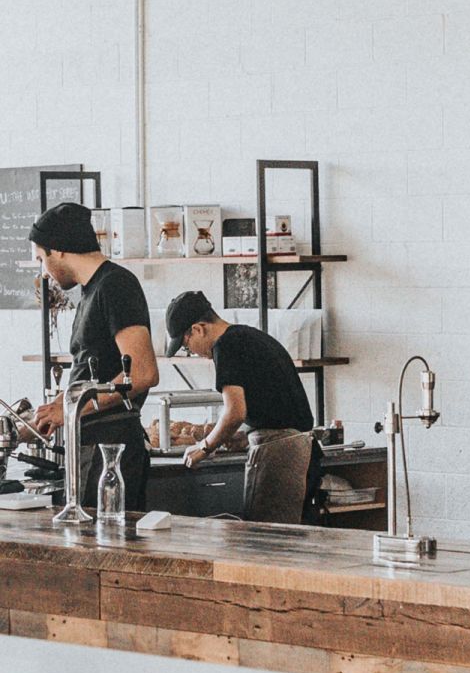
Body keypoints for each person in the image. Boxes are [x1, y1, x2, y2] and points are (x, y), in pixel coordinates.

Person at [29, 202, 159, 509]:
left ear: (58, 249)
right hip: (93, 445)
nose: (44, 272)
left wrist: (71, 408)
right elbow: (93, 372)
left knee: (105, 538)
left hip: (111, 450)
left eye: (42, 259)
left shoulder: (115, 285)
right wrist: (53, 411)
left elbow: (142, 373)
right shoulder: (92, 291)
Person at [164, 290, 317, 523]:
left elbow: (234, 412)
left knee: (266, 538)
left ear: (198, 329)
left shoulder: (225, 346)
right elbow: (273, 404)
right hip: (301, 448)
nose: (192, 352)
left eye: (186, 346)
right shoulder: (251, 336)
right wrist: (243, 436)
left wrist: (204, 447)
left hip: (279, 453)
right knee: (288, 538)